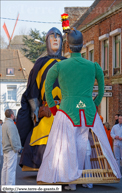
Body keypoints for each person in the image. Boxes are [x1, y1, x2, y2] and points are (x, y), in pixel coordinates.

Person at [37, 28, 121, 190]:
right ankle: (87, 179)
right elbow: (101, 88)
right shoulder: (93, 66)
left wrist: (54, 109)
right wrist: (94, 102)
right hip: (88, 111)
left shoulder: (59, 66)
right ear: (82, 46)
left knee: (68, 146)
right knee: (84, 143)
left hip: (67, 110)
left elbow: (48, 87)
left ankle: (71, 181)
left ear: (68, 46)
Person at [16, 27, 66, 169]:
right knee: (43, 134)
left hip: (65, 111)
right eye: (52, 36)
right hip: (47, 110)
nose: (55, 38)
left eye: (58, 36)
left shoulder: (67, 63)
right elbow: (33, 89)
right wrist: (35, 109)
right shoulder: (41, 63)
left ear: (62, 41)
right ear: (47, 41)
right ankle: (44, 167)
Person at [1, 109, 21, 191]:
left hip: (6, 149)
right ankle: (10, 188)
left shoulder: (4, 124)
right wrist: (16, 149)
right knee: (11, 170)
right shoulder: (11, 125)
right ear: (12, 115)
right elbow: (13, 139)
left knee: (5, 168)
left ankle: (4, 186)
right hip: (11, 150)